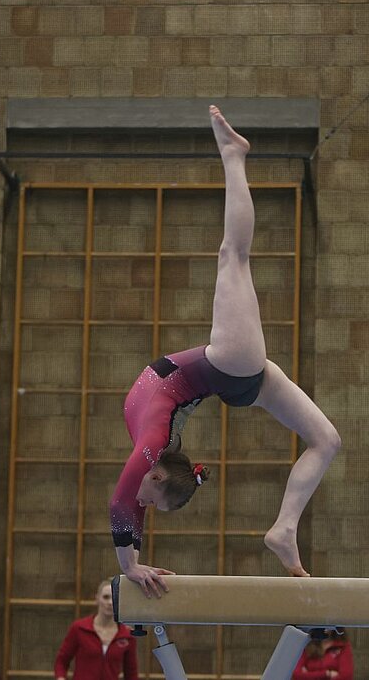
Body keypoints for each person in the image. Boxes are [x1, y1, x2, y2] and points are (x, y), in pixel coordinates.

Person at [110, 105, 341, 595]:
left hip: (232, 365)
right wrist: (134, 557)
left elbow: (122, 498)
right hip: (231, 374)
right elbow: (133, 499)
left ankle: (233, 156)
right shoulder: (153, 443)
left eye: (153, 503)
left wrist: (129, 565)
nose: (144, 507)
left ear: (156, 475)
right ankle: (284, 530)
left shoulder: (151, 441)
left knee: (233, 254)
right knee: (325, 441)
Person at [54, 581, 138, 680]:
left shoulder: (127, 635)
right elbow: (62, 661)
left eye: (115, 598)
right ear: (97, 599)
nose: (110, 602)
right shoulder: (79, 628)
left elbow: (131, 673)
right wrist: (61, 678)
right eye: (106, 597)